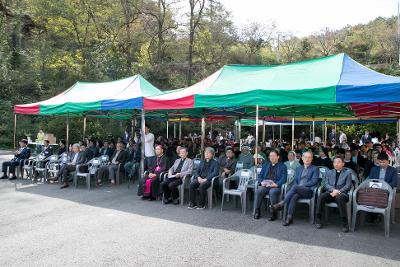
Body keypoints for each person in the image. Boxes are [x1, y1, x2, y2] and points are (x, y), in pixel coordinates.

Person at [271, 151, 319, 226]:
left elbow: (314, 181)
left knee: (295, 187)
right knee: (294, 196)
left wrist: (301, 185)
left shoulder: (315, 169)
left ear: (312, 159)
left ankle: (282, 204)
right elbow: (295, 181)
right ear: (302, 158)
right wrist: (298, 186)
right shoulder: (299, 168)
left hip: (308, 191)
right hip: (298, 190)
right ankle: (289, 218)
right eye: (305, 157)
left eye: (309, 157)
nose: (307, 159)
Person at [315, 157, 352, 232]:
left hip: (342, 194)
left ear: (343, 164)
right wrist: (333, 190)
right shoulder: (329, 172)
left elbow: (348, 185)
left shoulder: (348, 173)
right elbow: (325, 184)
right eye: (334, 162)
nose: (336, 164)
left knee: (339, 198)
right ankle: (318, 218)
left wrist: (338, 191)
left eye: (338, 162)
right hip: (331, 193)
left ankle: (344, 222)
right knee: (321, 197)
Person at [254, 150, 287, 221]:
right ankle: (257, 211)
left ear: (278, 157)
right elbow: (260, 175)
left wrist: (277, 184)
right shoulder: (265, 165)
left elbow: (284, 178)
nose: (272, 157)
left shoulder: (283, 166)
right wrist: (261, 182)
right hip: (266, 185)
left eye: (274, 156)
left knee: (272, 192)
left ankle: (273, 213)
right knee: (259, 190)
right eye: (270, 156)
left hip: (275, 185)